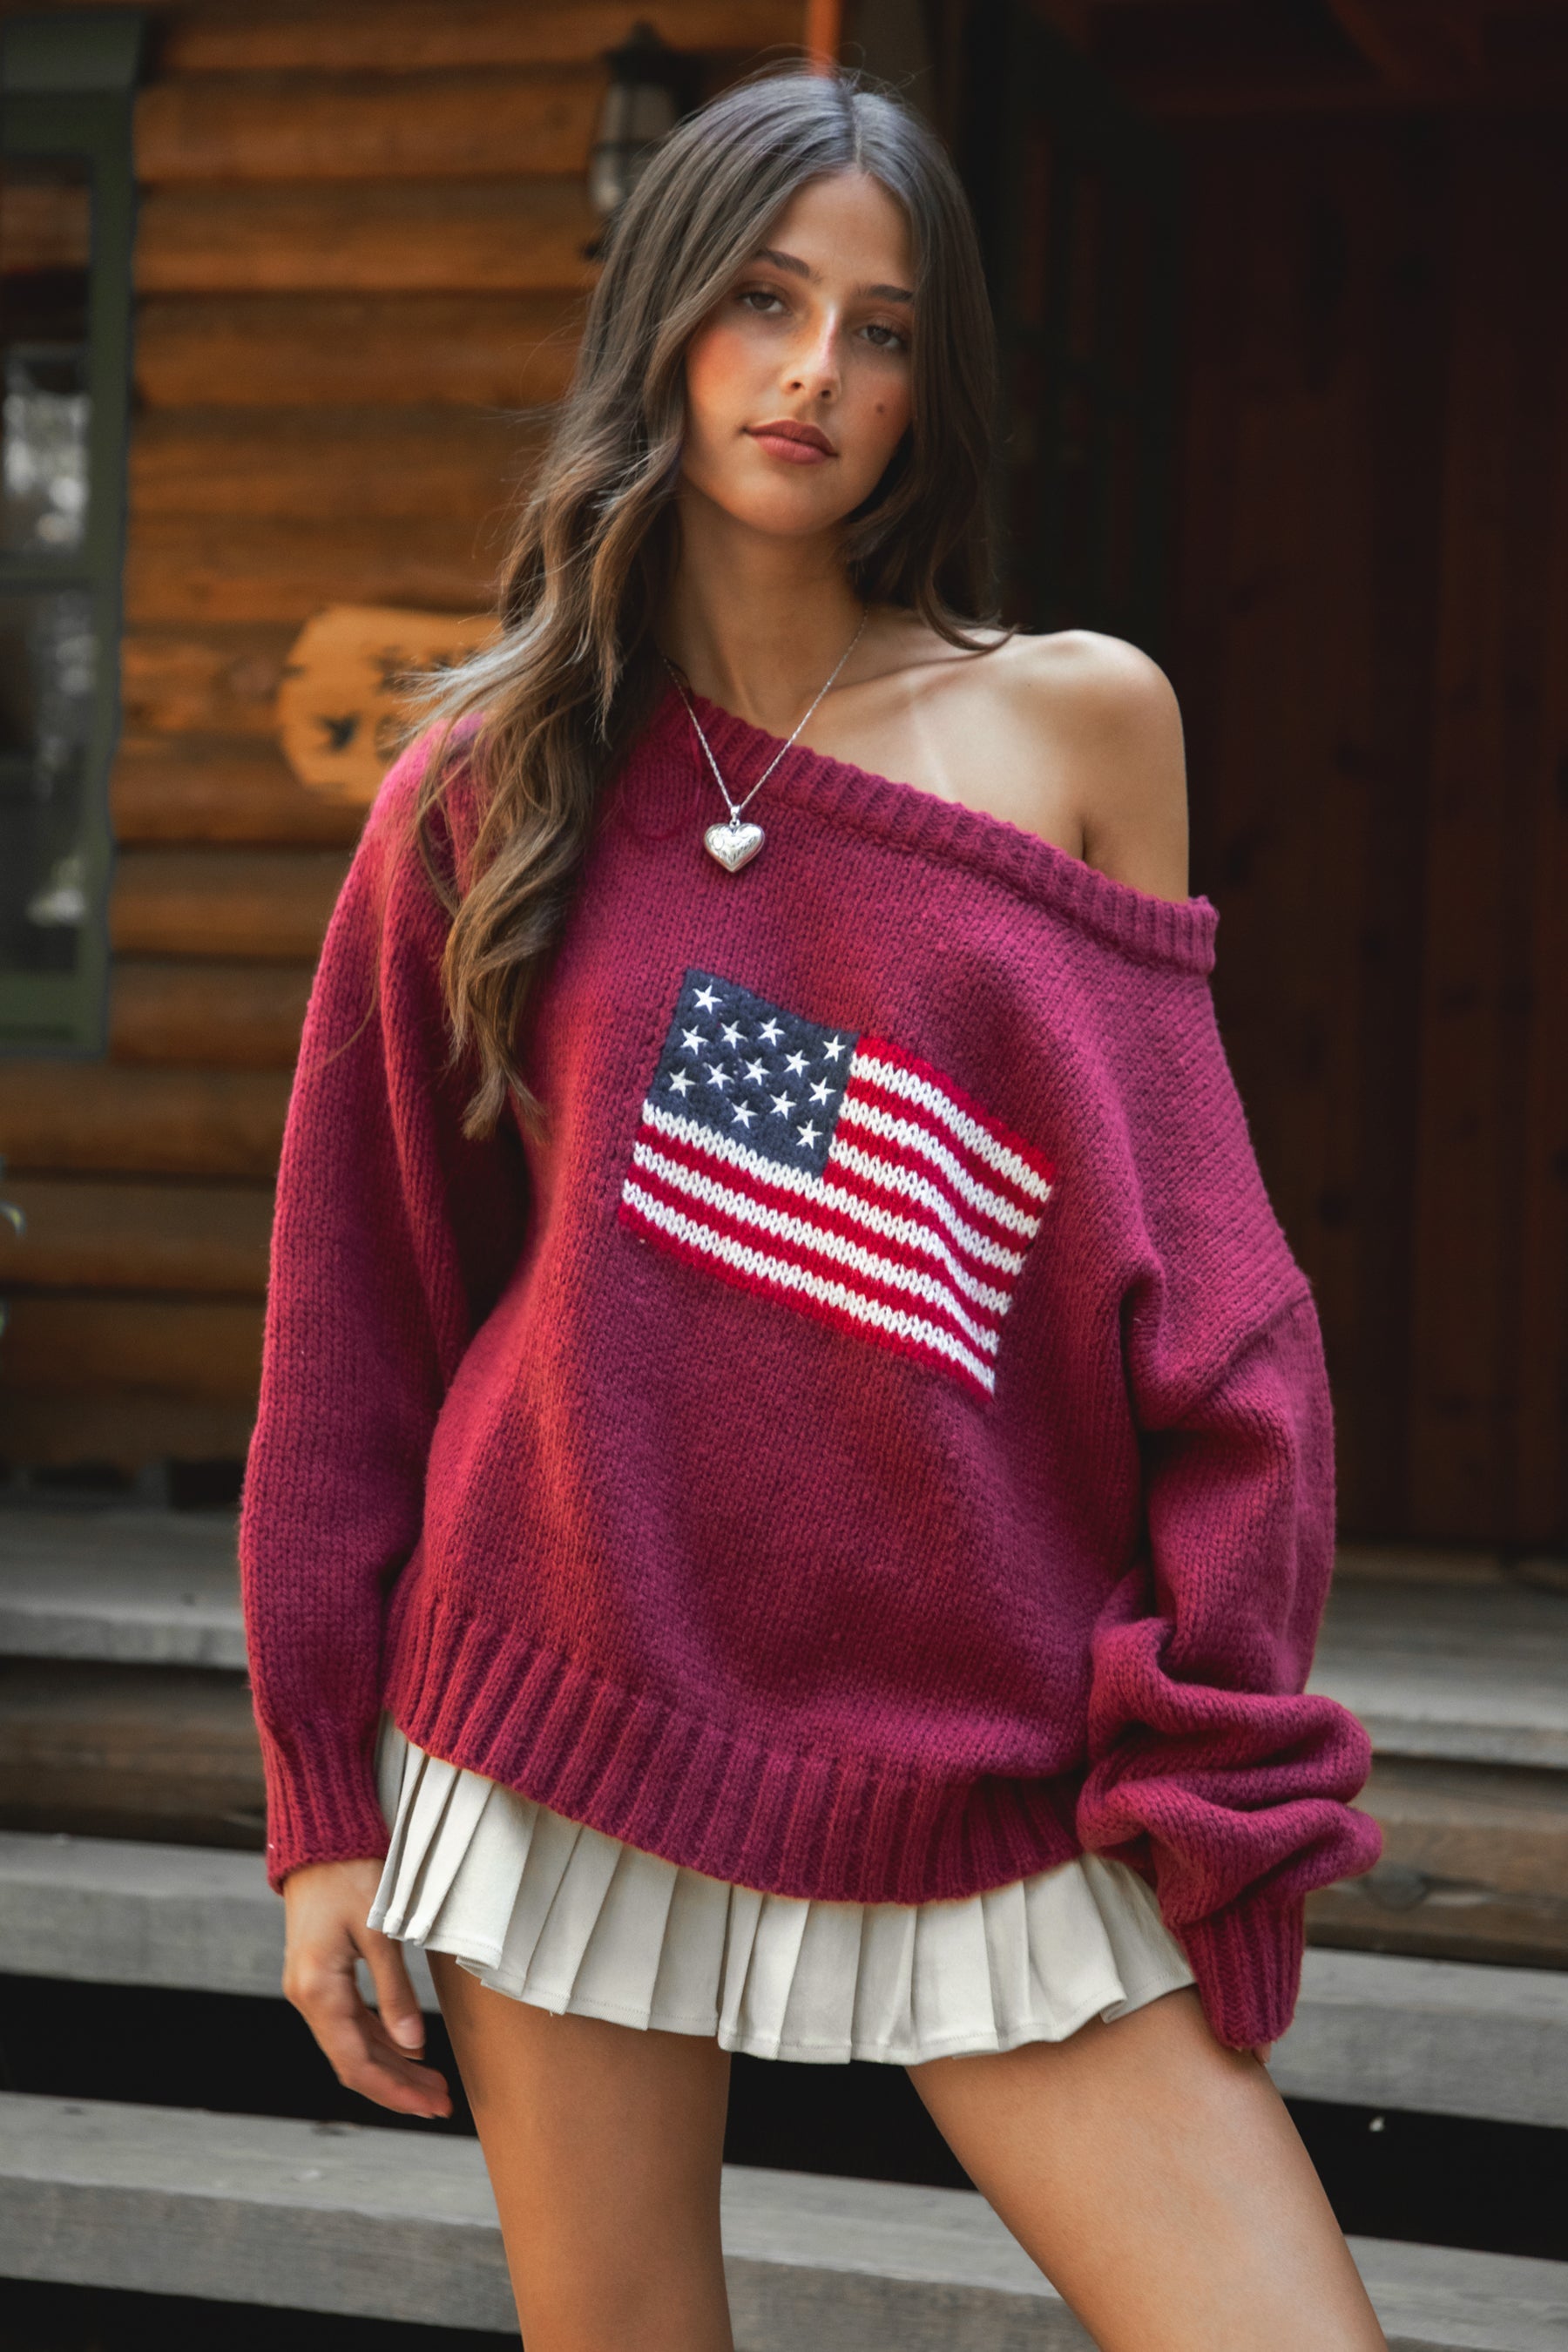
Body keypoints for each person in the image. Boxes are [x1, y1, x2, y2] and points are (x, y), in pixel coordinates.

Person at [240, 65, 1389, 2352]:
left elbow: (1221, 1312)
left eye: (878, 329)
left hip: (994, 1753)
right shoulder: (487, 788)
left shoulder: (1077, 730)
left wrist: (1217, 1738)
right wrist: (318, 1806)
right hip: (565, 1713)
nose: (815, 376)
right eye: (764, 302)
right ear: (663, 319)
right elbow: (356, 1327)